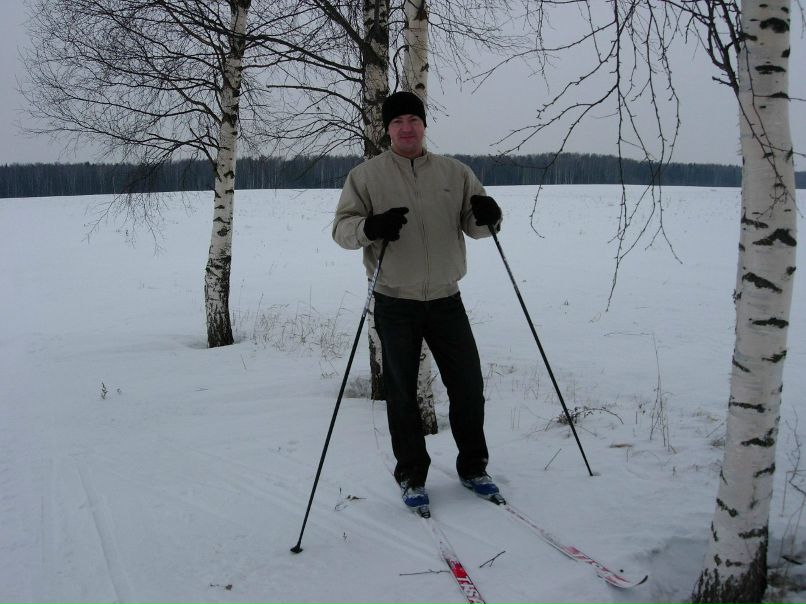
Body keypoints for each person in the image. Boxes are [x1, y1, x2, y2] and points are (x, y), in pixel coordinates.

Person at [332, 91, 503, 515]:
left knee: (468, 387)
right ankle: (411, 475)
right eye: (397, 121)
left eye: (413, 119)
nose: (406, 128)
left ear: (424, 125)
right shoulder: (365, 176)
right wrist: (371, 227)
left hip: (447, 298)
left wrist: (490, 215)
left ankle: (474, 468)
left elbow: (477, 225)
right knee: (402, 394)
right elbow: (342, 230)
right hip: (395, 301)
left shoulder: (455, 172)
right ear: (387, 129)